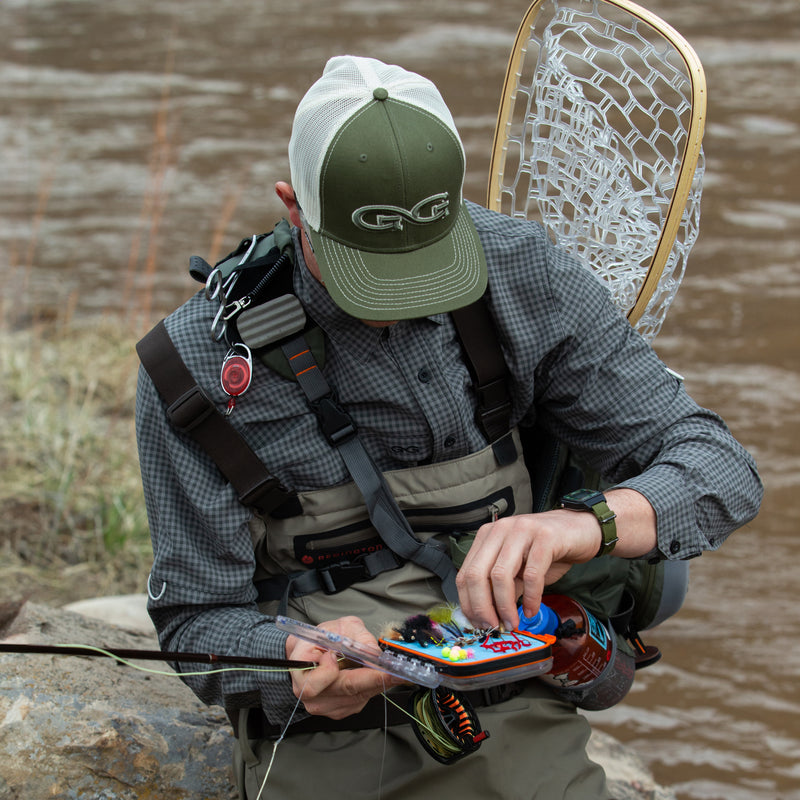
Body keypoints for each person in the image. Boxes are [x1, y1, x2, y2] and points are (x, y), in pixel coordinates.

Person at [136, 55, 762, 799]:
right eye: (371, 269)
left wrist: (583, 524)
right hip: (329, 732)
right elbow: (195, 622)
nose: (403, 298)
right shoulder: (195, 367)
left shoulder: (525, 272)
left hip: (515, 701)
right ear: (293, 206)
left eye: (429, 264)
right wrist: (285, 658)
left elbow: (719, 465)